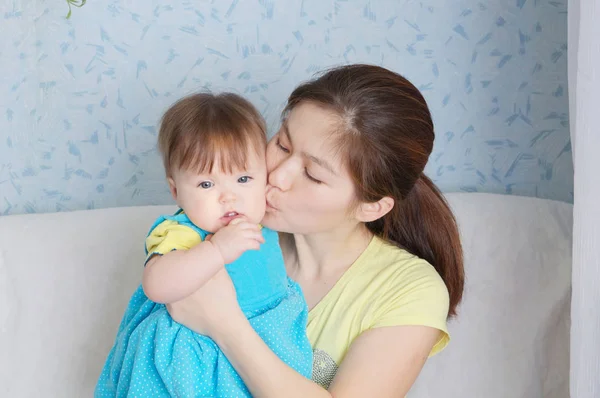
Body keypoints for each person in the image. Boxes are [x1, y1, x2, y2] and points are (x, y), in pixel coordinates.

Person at [166, 64, 465, 397]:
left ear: (371, 206)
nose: (278, 176)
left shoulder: (409, 290)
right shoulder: (226, 231)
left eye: (312, 174)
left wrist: (225, 325)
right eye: (281, 144)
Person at [95, 93, 313, 397]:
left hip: (265, 340)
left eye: (244, 178)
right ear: (176, 191)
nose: (228, 196)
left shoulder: (266, 222)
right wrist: (216, 251)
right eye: (206, 184)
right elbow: (156, 285)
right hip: (196, 357)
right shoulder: (185, 231)